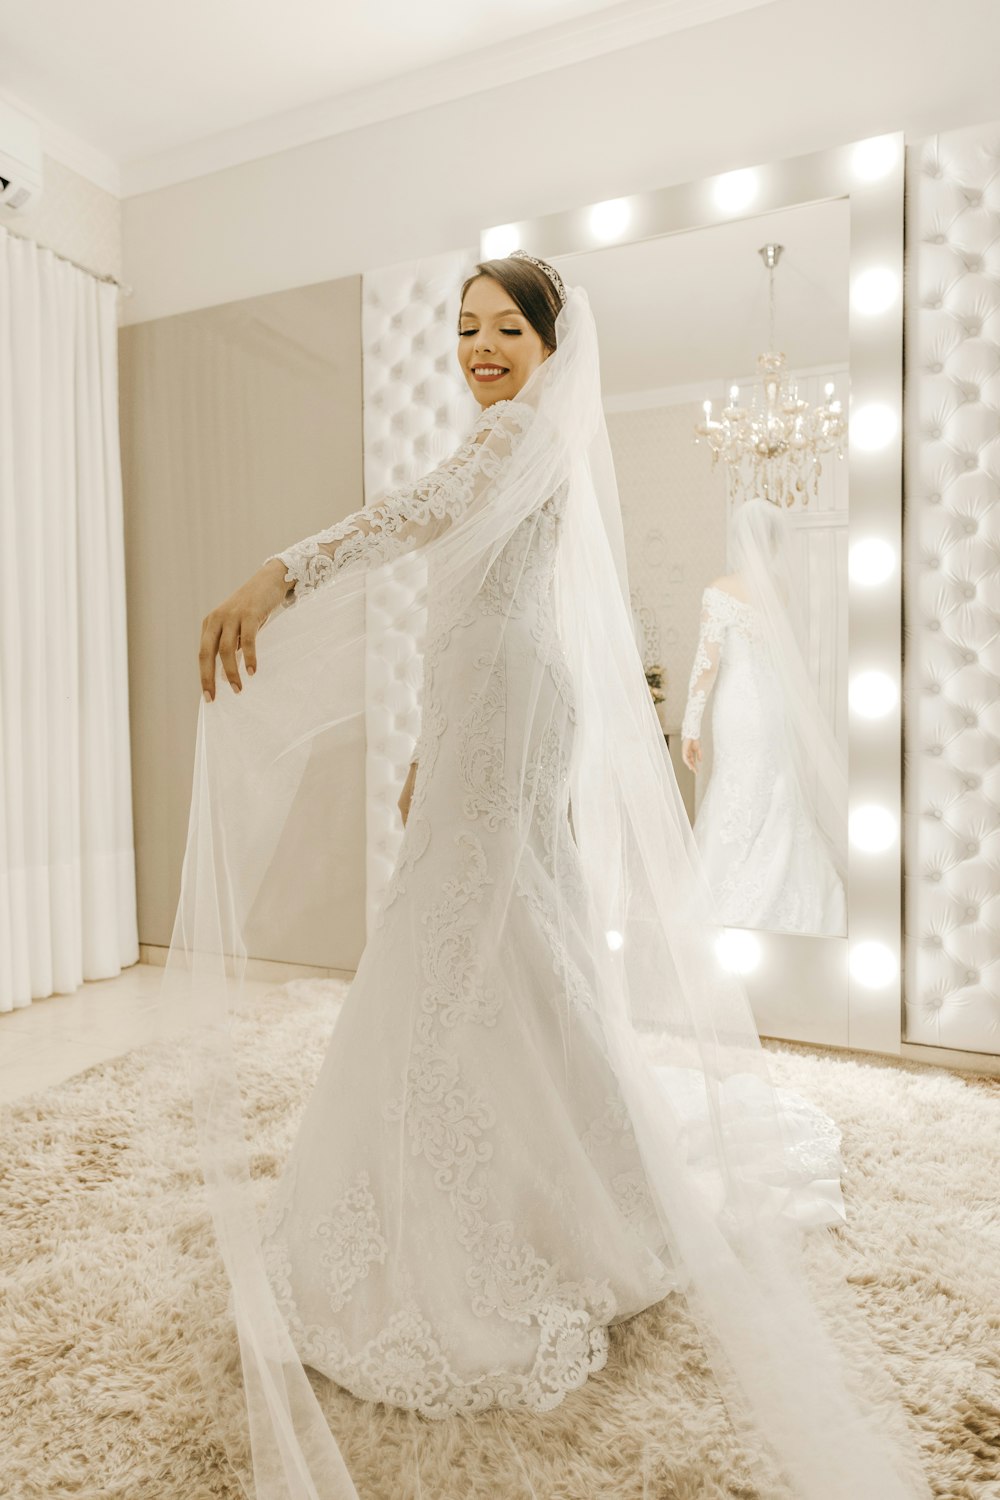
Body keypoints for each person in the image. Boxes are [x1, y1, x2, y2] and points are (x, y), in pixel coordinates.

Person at [150, 253, 930, 1499]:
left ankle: (497, 1205)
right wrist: (431, 741)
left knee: (451, 935)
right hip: (499, 703)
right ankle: (575, 1164)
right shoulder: (526, 453)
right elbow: (475, 606)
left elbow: (402, 521)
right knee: (504, 933)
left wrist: (276, 577)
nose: (479, 349)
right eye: (464, 330)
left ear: (553, 343)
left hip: (513, 707)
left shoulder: (514, 438)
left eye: (505, 326)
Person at [680, 498, 848, 936]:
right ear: (774, 541)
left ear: (739, 538)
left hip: (737, 705)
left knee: (736, 783)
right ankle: (787, 888)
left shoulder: (719, 590)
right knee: (774, 785)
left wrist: (690, 726)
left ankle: (728, 894)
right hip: (773, 706)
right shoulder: (780, 588)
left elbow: (707, 665)